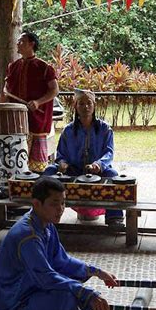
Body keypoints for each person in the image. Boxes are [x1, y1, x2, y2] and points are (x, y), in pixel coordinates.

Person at [0, 177, 118, 310]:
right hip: (15, 304)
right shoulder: (28, 236)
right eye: (54, 204)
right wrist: (84, 293)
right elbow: (46, 277)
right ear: (36, 204)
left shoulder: (45, 225)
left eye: (63, 203)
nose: (61, 209)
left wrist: (97, 272)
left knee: (73, 284)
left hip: (31, 286)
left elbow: (61, 261)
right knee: (69, 296)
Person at [44, 89, 125, 228]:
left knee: (112, 175)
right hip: (73, 171)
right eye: (81, 103)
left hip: (97, 171)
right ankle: (44, 214)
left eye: (89, 103)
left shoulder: (105, 129)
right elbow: (61, 154)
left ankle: (114, 217)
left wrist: (98, 164)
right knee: (49, 171)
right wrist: (62, 163)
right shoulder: (68, 130)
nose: (85, 107)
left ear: (94, 106)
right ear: (75, 106)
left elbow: (109, 153)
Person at [0, 31, 59, 173]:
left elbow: (54, 90)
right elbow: (6, 89)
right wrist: (3, 101)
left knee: (36, 166)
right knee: (15, 160)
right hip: (16, 118)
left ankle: (37, 185)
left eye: (21, 41)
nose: (18, 44)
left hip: (37, 118)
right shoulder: (13, 67)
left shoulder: (45, 68)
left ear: (31, 44)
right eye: (18, 41)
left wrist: (38, 102)